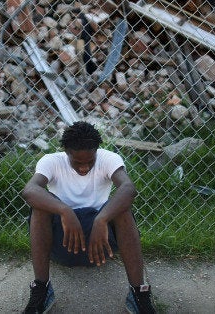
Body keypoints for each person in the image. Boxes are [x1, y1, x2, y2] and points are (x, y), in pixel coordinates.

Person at [21, 121, 156, 314]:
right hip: (62, 246)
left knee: (122, 209)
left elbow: (128, 188)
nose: (84, 168)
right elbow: (29, 191)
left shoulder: (108, 158)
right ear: (66, 152)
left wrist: (101, 220)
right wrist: (65, 211)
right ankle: (41, 289)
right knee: (40, 207)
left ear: (97, 152)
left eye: (89, 162)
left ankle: (138, 293)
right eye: (78, 162)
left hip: (101, 245)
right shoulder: (51, 161)